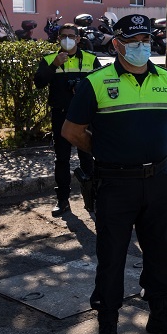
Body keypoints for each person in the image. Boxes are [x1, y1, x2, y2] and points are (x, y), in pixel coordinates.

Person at [62, 13, 167, 334]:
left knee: (161, 252)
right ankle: (108, 327)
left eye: (146, 40)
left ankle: (160, 314)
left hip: (158, 181)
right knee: (112, 257)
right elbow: (72, 132)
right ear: (117, 44)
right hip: (115, 182)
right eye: (133, 42)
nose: (141, 47)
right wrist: (107, 150)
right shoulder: (96, 83)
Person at [33, 22, 100, 217]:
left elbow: (101, 85)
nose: (68, 39)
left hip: (85, 117)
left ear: (79, 39)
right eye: (63, 36)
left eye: (71, 36)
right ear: (58, 39)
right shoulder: (49, 59)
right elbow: (39, 83)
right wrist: (54, 65)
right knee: (61, 159)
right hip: (61, 115)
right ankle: (62, 200)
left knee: (87, 157)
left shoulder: (90, 59)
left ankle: (93, 198)